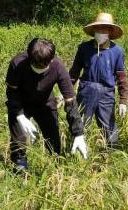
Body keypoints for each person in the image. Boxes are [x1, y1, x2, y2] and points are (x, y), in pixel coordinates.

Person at [6, 38, 88, 171]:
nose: (40, 69)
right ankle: (19, 167)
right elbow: (12, 91)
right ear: (29, 58)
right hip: (20, 103)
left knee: (53, 138)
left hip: (45, 104)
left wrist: (78, 133)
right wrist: (20, 116)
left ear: (51, 60)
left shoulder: (58, 67)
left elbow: (70, 101)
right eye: (36, 66)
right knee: (18, 138)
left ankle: (56, 166)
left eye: (44, 66)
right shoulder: (18, 63)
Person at [69, 13, 128, 148]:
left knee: (109, 127)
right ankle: (78, 154)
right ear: (94, 30)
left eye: (105, 29)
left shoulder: (117, 51)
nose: (101, 32)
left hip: (107, 93)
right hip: (86, 91)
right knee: (81, 124)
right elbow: (74, 72)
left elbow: (122, 77)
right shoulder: (84, 48)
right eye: (98, 29)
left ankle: (112, 156)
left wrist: (123, 100)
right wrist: (65, 91)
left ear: (110, 31)